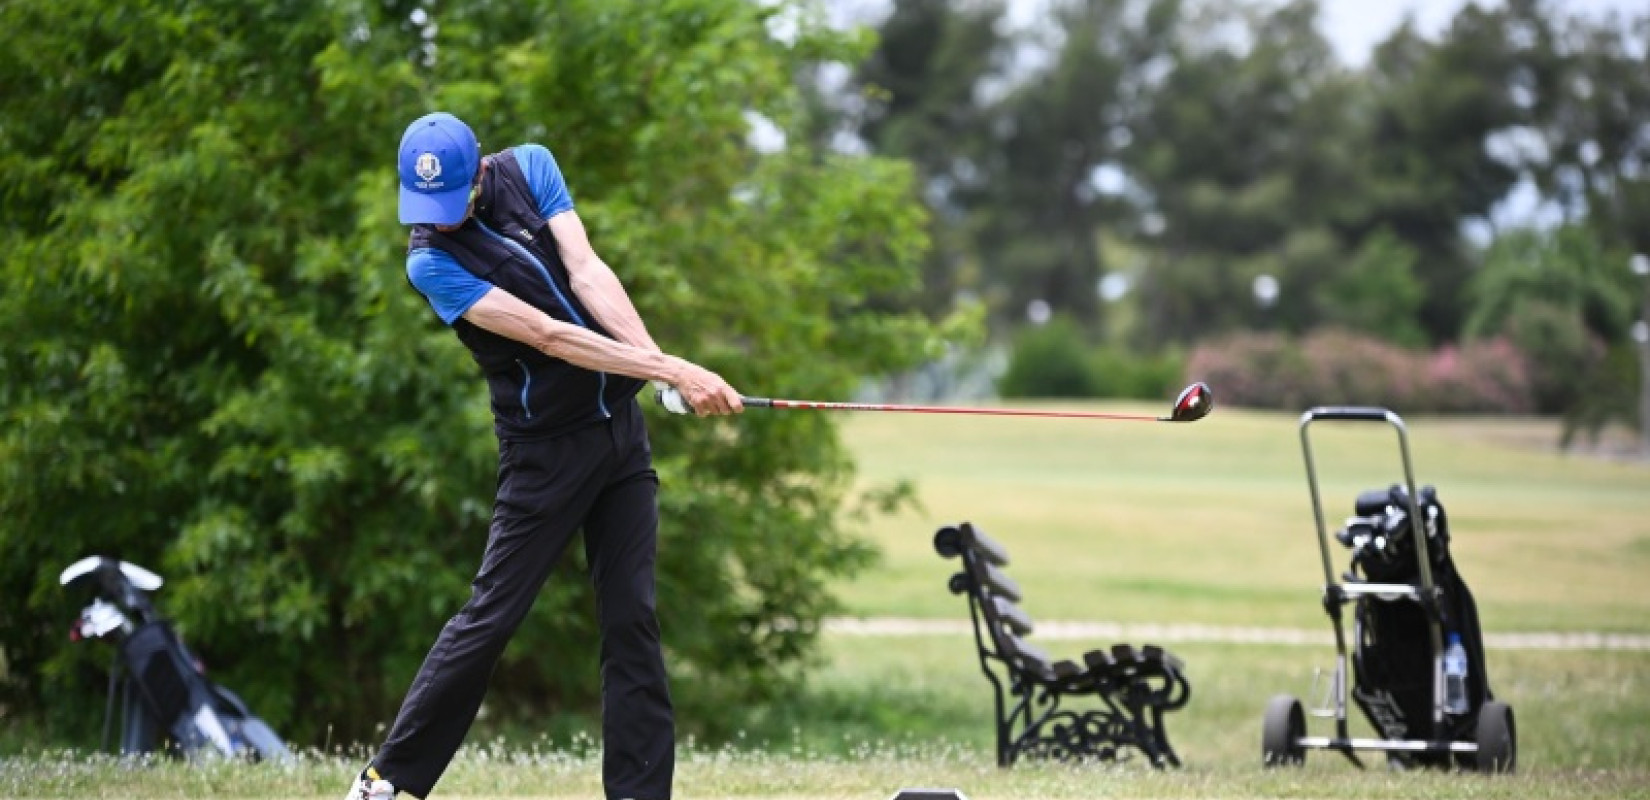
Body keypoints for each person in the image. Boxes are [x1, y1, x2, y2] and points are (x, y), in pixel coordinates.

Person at [344, 111, 743, 800]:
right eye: (424, 206)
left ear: (479, 175)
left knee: (632, 619)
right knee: (491, 616)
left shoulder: (529, 166)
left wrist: (655, 368)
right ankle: (387, 782)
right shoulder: (430, 262)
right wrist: (673, 371)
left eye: (452, 202)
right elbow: (547, 334)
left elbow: (587, 272)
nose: (438, 219)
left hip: (619, 437)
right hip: (544, 456)